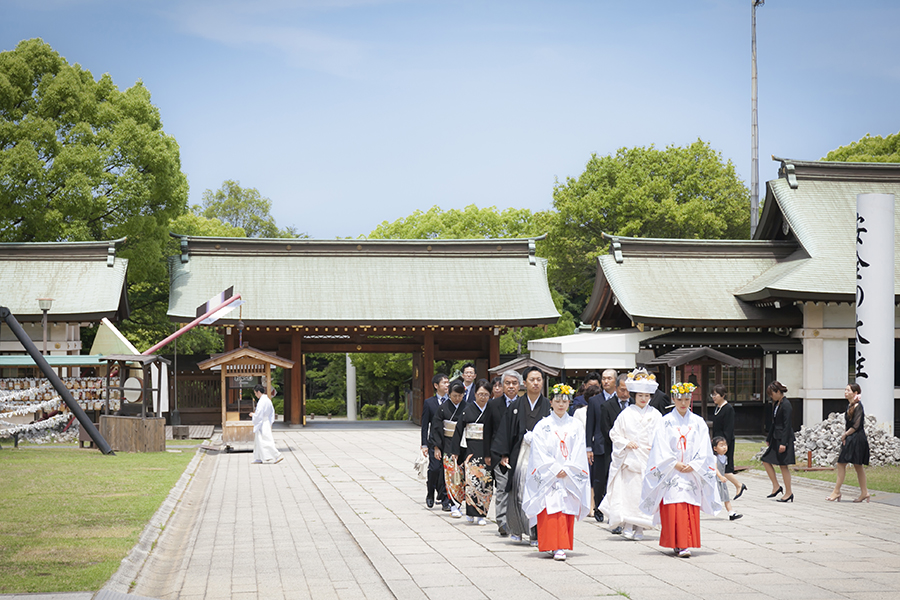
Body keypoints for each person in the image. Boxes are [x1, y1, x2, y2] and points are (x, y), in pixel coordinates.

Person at [640, 382, 722, 558]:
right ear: (673, 399)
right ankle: (676, 543)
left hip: (692, 471)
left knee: (688, 506)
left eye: (686, 399)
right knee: (673, 506)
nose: (683, 403)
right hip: (671, 471)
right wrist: (674, 463)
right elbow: (660, 447)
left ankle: (685, 544)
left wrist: (695, 464)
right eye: (679, 399)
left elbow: (704, 447)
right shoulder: (665, 422)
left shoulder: (698, 422)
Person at [521, 386, 591, 561]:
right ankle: (552, 544)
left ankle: (561, 546)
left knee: (565, 508)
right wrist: (553, 469)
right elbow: (538, 451)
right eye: (557, 401)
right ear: (551, 402)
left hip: (568, 474)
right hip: (549, 475)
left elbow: (579, 450)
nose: (561, 405)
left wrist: (567, 468)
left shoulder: (576, 425)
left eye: (564, 401)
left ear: (569, 403)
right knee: (551, 508)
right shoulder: (543, 425)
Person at [599, 368, 662, 541]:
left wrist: (655, 448)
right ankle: (627, 524)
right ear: (634, 395)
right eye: (640, 395)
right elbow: (614, 434)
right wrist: (626, 443)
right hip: (630, 458)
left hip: (647, 458)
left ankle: (640, 527)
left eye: (646, 396)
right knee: (629, 494)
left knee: (644, 494)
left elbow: (662, 436)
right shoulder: (626, 413)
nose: (643, 399)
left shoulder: (655, 415)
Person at [495, 366, 551, 545]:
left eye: (539, 380)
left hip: (541, 455)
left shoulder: (548, 405)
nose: (535, 383)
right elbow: (505, 430)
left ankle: (536, 532)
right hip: (519, 453)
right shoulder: (516, 405)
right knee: (517, 490)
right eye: (532, 380)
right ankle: (517, 528)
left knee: (539, 492)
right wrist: (504, 454)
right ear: (524, 383)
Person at [451, 379, 494, 525]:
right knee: (471, 482)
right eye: (480, 394)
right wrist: (455, 450)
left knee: (485, 482)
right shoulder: (467, 410)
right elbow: (458, 430)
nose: (483, 397)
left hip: (487, 449)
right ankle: (470, 512)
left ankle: (482, 514)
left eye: (486, 394)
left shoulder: (492, 410)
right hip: (472, 448)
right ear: (475, 394)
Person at [485, 369, 520, 537]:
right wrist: (487, 454)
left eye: (514, 383)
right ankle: (502, 522)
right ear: (503, 385)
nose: (511, 386)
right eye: (508, 383)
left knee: (518, 489)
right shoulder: (493, 404)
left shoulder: (523, 404)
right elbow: (487, 430)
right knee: (502, 488)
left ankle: (517, 521)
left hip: (519, 453)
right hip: (498, 454)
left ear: (519, 385)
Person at [598, 373, 632, 533]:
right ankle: (615, 519)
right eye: (622, 390)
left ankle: (630, 519)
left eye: (628, 390)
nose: (625, 393)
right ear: (616, 388)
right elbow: (606, 430)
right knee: (613, 486)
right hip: (613, 451)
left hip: (633, 453)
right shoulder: (607, 406)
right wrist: (621, 443)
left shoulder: (635, 406)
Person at [827, 383, 871, 503]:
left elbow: (856, 426)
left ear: (855, 393)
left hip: (857, 438)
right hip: (851, 437)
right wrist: (846, 435)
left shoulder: (858, 406)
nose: (846, 392)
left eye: (848, 390)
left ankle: (837, 491)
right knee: (856, 466)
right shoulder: (850, 405)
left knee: (842, 463)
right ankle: (864, 492)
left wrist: (845, 434)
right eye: (845, 390)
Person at [431, 381, 468, 517]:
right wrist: (436, 447)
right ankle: (451, 503)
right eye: (454, 396)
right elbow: (436, 428)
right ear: (449, 394)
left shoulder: (467, 407)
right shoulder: (443, 408)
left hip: (463, 444)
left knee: (462, 475)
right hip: (448, 443)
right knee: (450, 475)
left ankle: (459, 502)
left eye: (460, 396)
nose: (457, 398)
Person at [761, 381, 795, 503]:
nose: (771, 396)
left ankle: (788, 492)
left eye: (772, 394)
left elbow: (787, 425)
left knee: (783, 466)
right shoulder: (776, 404)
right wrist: (769, 438)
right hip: (775, 437)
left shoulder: (786, 405)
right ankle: (776, 486)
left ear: (779, 392)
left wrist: (783, 443)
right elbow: (774, 423)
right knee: (765, 460)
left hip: (783, 439)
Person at [711, 384, 747, 499]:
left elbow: (728, 429)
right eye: (712, 394)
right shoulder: (717, 408)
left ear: (723, 395)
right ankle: (736, 486)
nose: (714, 397)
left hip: (724, 443)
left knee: (724, 468)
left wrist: (723, 445)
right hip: (717, 443)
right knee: (718, 468)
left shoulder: (728, 409)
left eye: (716, 394)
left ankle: (739, 485)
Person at [421, 373, 449, 509]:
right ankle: (430, 492)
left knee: (445, 471)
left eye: (448, 382)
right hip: (433, 441)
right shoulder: (429, 403)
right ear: (436, 386)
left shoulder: (451, 401)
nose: (447, 385)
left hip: (447, 441)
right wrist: (424, 444)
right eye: (444, 383)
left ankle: (445, 499)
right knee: (434, 469)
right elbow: (425, 425)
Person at [250, 384, 283, 464]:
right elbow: (272, 412)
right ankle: (258, 457)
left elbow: (259, 414)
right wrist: (270, 421)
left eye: (255, 393)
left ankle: (277, 455)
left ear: (258, 392)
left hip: (262, 423)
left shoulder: (262, 401)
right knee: (258, 441)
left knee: (265, 441)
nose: (255, 395)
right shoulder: (267, 400)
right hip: (266, 421)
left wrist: (253, 415)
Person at [712, 436, 743, 521]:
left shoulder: (725, 458)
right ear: (715, 448)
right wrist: (720, 476)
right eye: (721, 445)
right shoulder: (714, 458)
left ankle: (731, 513)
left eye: (725, 445)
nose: (724, 447)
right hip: (715, 480)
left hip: (722, 481)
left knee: (726, 498)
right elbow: (715, 469)